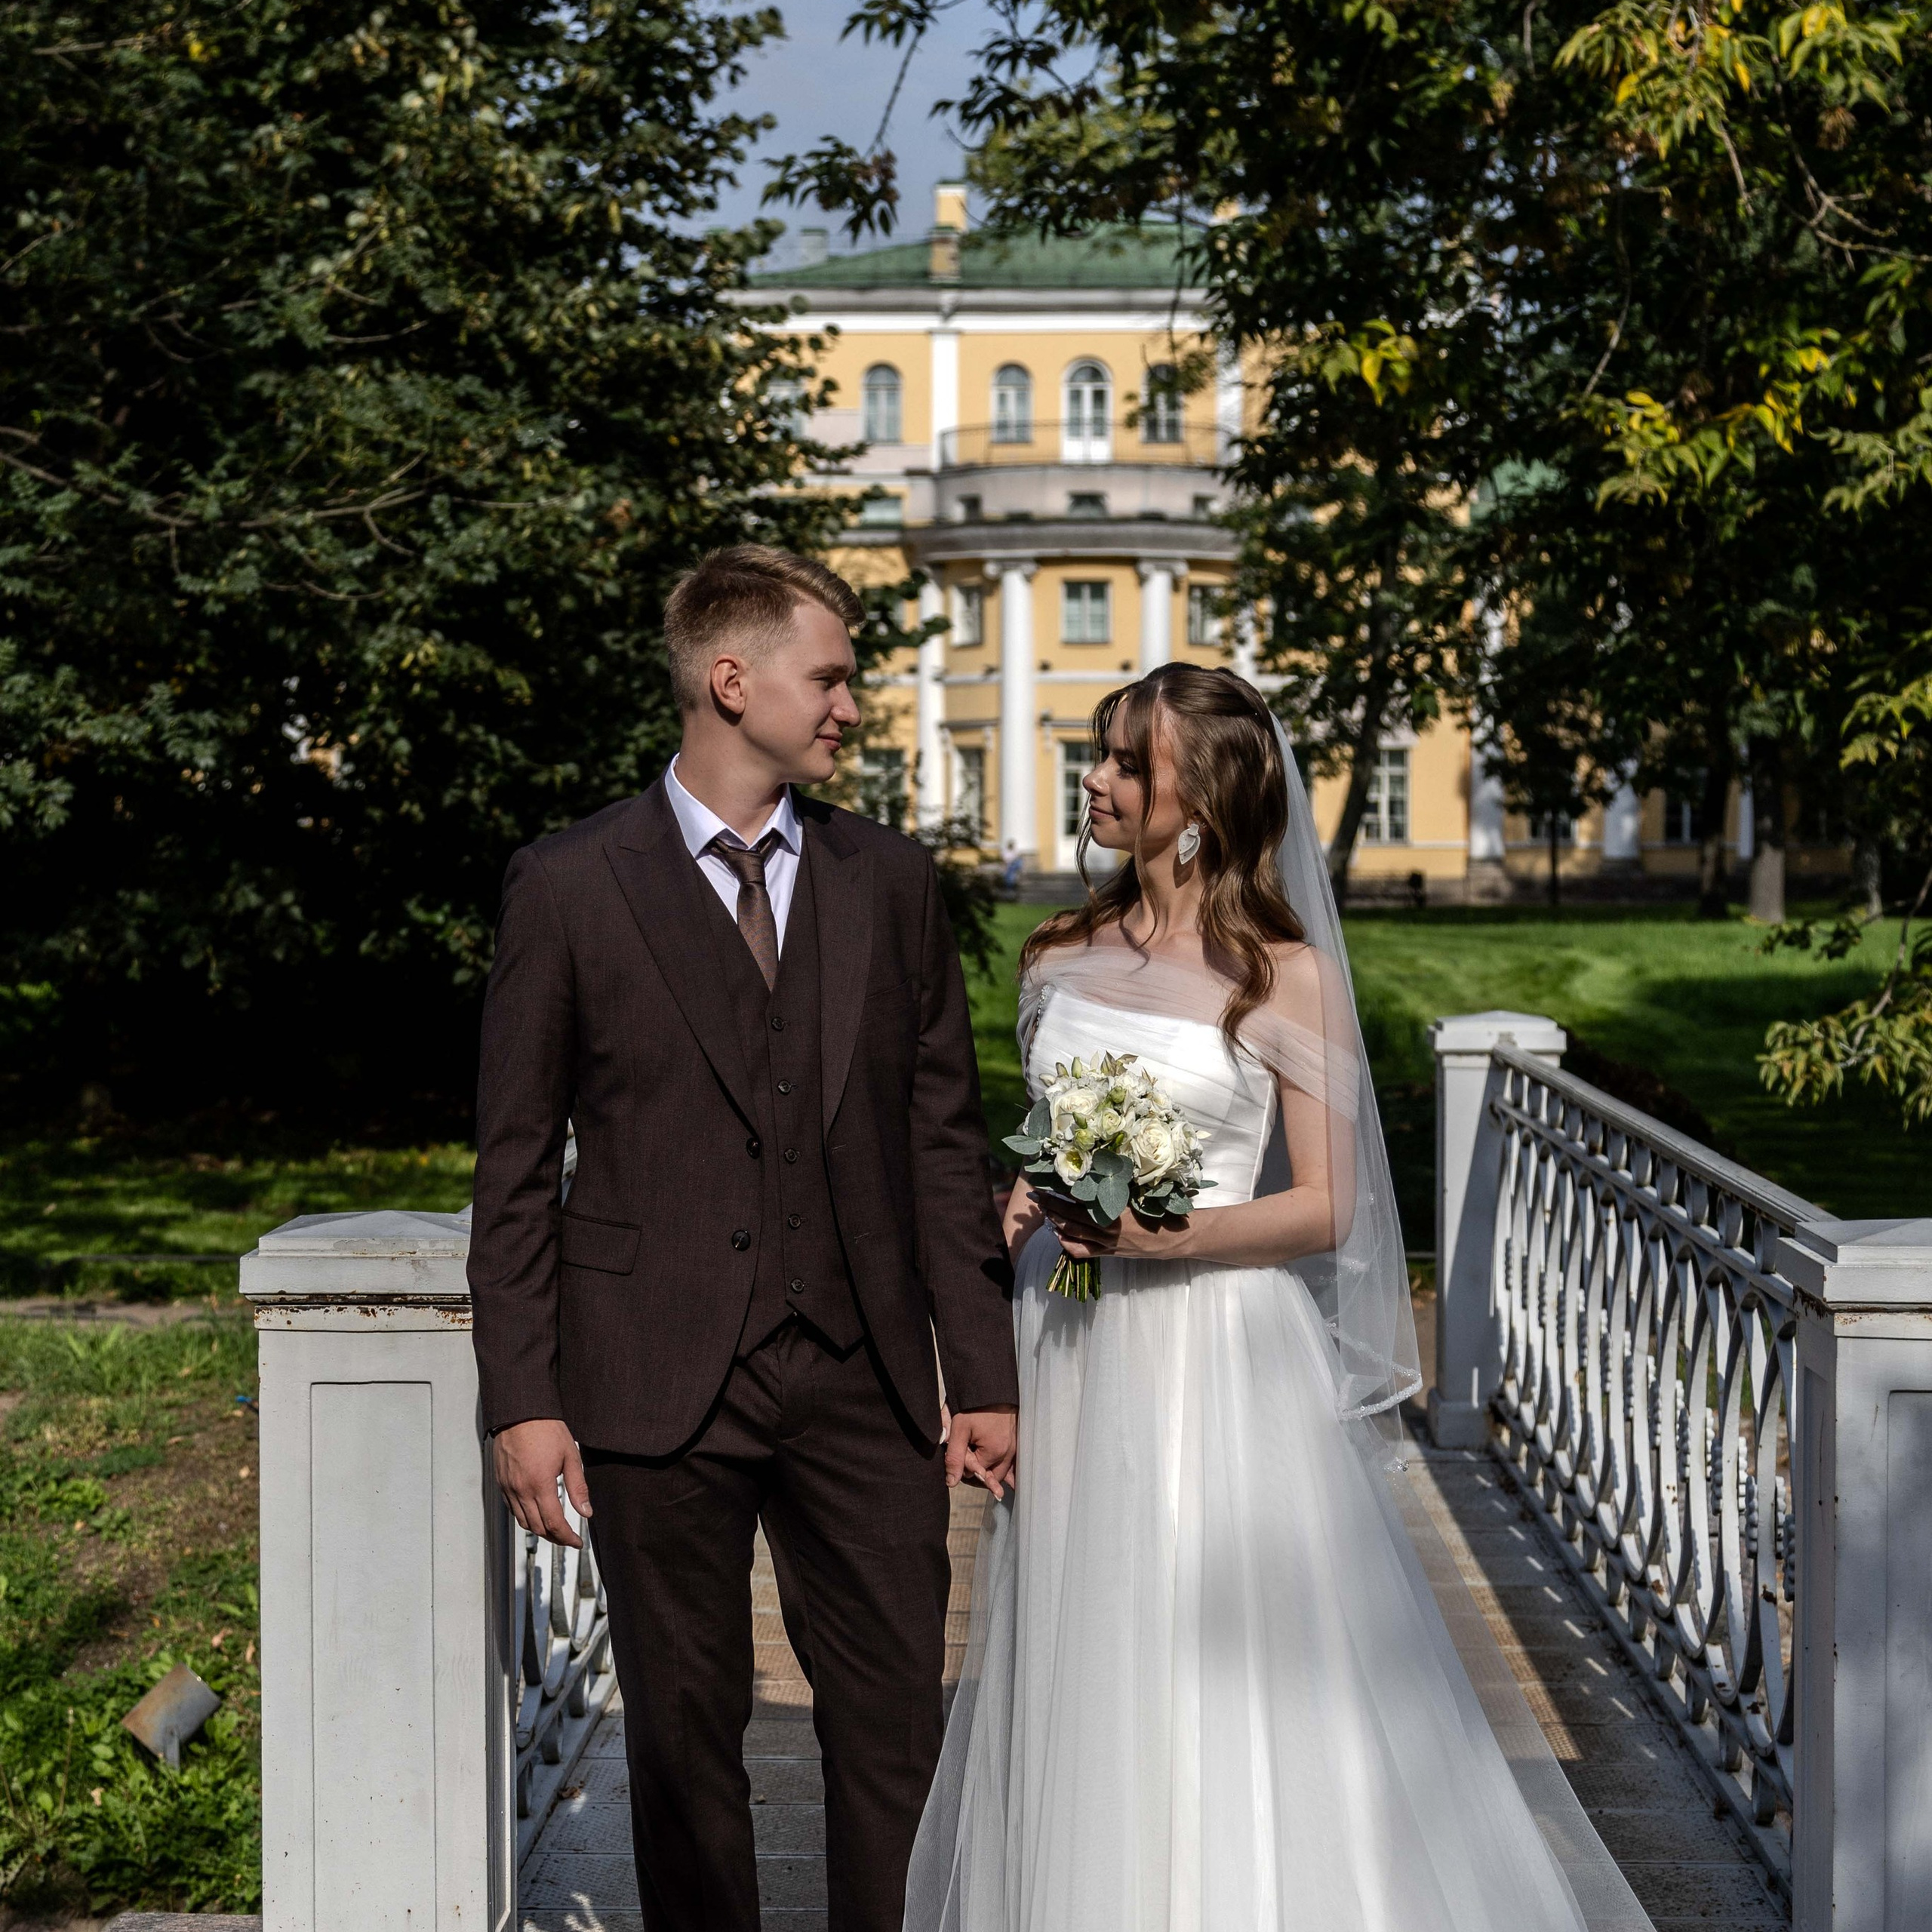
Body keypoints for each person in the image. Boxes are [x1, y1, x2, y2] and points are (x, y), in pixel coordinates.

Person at [903, 663, 1589, 1932]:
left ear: (1201, 797)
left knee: (1214, 1642)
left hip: (1215, 1352)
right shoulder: (1053, 955)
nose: (1095, 782)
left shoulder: (1284, 978)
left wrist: (1166, 1240)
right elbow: (1048, 1146)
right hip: (1067, 1335)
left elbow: (1330, 1206)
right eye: (1096, 755)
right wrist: (1024, 1196)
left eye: (1125, 763)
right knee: (1084, 1639)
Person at [468, 545, 1020, 1932]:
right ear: (733, 680)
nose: (850, 707)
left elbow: (943, 1142)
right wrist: (523, 1397)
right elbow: (517, 1166)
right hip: (655, 1381)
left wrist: (986, 1368)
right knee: (683, 1742)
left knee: (895, 1731)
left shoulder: (888, 880)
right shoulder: (572, 884)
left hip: (866, 1377)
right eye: (829, 677)